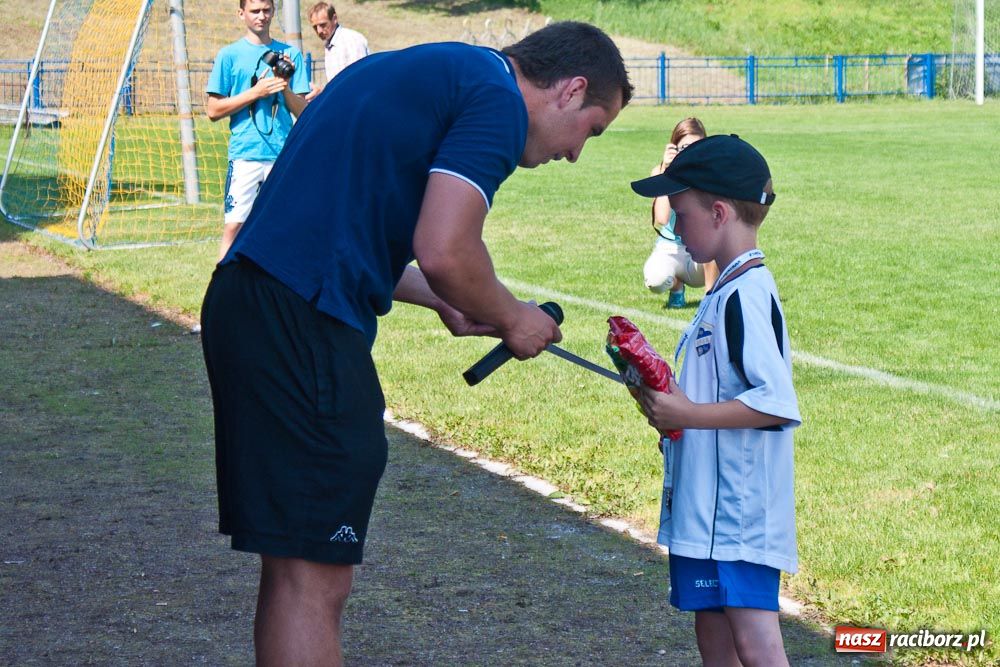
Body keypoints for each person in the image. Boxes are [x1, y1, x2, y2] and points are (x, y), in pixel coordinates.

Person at [200, 21, 632, 666]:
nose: (575, 154)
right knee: (315, 578)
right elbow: (446, 250)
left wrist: (447, 300)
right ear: (570, 90)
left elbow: (342, 234)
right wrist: (513, 317)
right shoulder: (496, 100)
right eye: (591, 130)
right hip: (300, 322)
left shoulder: (430, 69)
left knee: (294, 566)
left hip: (254, 302)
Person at [630, 134, 800, 667]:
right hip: (705, 514)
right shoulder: (723, 290)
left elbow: (775, 402)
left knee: (755, 643)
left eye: (682, 215)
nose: (676, 228)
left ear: (720, 213)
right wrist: (666, 405)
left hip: (738, 517)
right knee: (714, 635)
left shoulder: (747, 294)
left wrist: (688, 414)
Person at [206, 0, 311, 262]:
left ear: (273, 11)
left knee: (286, 226)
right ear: (241, 14)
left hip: (282, 154)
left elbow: (305, 113)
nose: (261, 16)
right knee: (234, 226)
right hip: (245, 153)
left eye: (266, 10)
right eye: (255, 11)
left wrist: (284, 88)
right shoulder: (229, 55)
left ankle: (280, 283)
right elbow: (213, 110)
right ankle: (223, 282)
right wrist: (256, 92)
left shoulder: (290, 54)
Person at [642, 117, 719, 309]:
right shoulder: (660, 171)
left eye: (697, 146)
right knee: (655, 280)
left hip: (701, 255)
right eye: (685, 147)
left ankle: (710, 298)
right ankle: (676, 287)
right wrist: (667, 172)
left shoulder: (711, 173)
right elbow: (662, 218)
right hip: (671, 249)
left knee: (717, 242)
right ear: (674, 147)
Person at [308, 2, 369, 83]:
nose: (319, 31)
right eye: (315, 27)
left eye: (323, 25)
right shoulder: (330, 44)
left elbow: (359, 78)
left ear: (334, 19)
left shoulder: (351, 40)